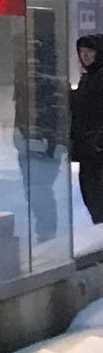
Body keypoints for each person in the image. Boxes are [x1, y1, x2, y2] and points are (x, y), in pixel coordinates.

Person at [74, 34, 103, 225]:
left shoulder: (97, 79)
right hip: (89, 152)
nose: (85, 56)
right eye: (82, 52)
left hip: (97, 152)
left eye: (90, 51)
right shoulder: (89, 78)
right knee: (91, 194)